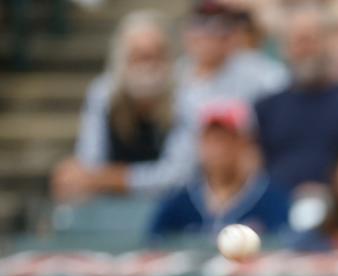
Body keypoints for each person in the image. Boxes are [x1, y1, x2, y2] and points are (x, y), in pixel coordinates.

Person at [52, 10, 196, 202]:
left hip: (167, 208)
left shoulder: (185, 96)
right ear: (122, 59)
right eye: (140, 57)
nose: (149, 66)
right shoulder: (103, 94)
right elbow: (89, 162)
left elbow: (178, 175)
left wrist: (116, 178)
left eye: (156, 56)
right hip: (108, 207)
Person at [254, 2, 338, 192]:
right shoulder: (266, 108)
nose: (306, 49)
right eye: (299, 40)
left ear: (329, 42)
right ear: (285, 47)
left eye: (312, 39)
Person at [149, 100, 290, 239]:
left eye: (225, 140)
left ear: (244, 143)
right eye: (210, 140)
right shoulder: (180, 200)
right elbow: (152, 244)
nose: (217, 150)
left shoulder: (271, 199)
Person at [175, 1, 288, 123]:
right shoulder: (180, 70)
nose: (208, 37)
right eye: (199, 25)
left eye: (219, 27)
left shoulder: (259, 71)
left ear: (234, 34)